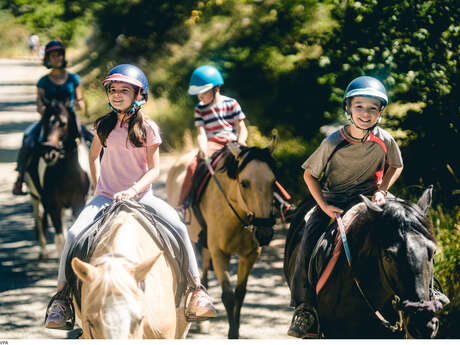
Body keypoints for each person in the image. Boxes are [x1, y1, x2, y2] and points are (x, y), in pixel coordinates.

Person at [44, 64, 217, 330]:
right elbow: (93, 156)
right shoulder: (103, 125)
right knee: (73, 234)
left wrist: (133, 190)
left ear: (139, 95)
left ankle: (196, 290)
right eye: (112, 90)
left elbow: (155, 169)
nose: (116, 95)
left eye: (124, 90)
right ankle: (62, 298)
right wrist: (99, 183)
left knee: (180, 228)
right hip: (105, 197)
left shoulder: (148, 127)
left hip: (141, 197)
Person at [287, 76, 404, 338]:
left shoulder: (385, 139)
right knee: (309, 240)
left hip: (369, 198)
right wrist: (325, 206)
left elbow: (397, 166)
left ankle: (422, 296)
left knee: (407, 227)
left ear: (380, 112)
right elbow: (309, 176)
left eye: (373, 108)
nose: (366, 113)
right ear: (348, 109)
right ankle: (305, 308)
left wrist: (382, 191)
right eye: (359, 106)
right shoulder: (332, 142)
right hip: (333, 200)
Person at [177, 65, 295, 219]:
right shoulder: (199, 109)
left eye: (203, 92)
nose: (199, 97)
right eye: (198, 94)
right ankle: (183, 204)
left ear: (216, 88)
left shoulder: (231, 103)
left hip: (232, 143)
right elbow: (201, 133)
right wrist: (203, 147)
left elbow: (242, 128)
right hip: (213, 143)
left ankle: (282, 203)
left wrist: (241, 140)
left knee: (258, 164)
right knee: (193, 165)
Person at [12, 40, 94, 195]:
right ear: (48, 59)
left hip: (69, 119)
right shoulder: (43, 81)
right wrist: (47, 110)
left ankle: (101, 180)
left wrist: (78, 105)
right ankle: (20, 178)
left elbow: (80, 101)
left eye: (59, 55)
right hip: (49, 120)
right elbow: (39, 105)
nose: (57, 58)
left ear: (63, 57)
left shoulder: (73, 78)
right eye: (53, 55)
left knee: (93, 140)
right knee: (29, 138)